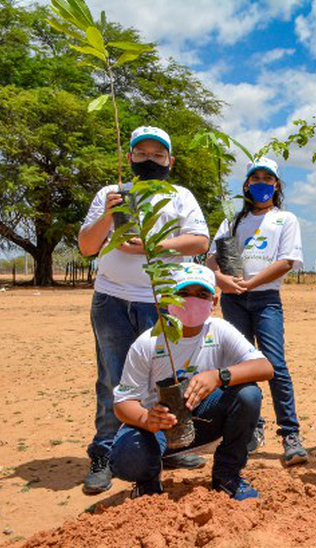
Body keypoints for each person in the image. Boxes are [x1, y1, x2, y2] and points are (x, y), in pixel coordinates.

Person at [78, 126, 210, 495]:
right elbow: (87, 246)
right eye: (142, 153)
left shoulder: (181, 196)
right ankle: (104, 453)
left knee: (160, 378)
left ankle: (162, 447)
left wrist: (153, 245)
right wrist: (107, 216)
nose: (149, 160)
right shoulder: (111, 193)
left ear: (170, 160)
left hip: (159, 299)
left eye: (157, 154)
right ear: (129, 157)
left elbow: (200, 239)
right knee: (113, 380)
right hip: (111, 300)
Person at [110, 263, 273, 500]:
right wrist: (146, 419)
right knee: (129, 456)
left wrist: (218, 376)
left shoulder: (218, 330)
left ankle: (227, 475)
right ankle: (147, 481)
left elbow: (265, 367)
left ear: (214, 302)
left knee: (248, 395)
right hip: (158, 428)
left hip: (203, 419)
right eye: (183, 294)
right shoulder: (149, 342)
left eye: (202, 295)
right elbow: (122, 404)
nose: (192, 301)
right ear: (168, 301)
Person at [206, 157, 307, 466]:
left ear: (276, 184)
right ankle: (250, 429)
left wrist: (250, 283)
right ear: (247, 184)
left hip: (265, 300)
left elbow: (286, 261)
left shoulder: (285, 219)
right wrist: (222, 280)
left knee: (274, 363)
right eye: (256, 178)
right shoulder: (232, 222)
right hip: (233, 300)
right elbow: (212, 258)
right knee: (239, 363)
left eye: (268, 178)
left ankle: (290, 434)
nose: (262, 183)